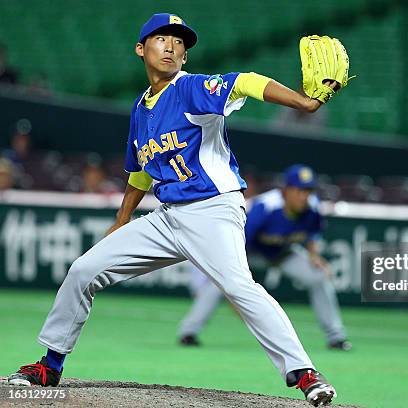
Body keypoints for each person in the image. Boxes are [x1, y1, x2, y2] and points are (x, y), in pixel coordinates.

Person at [7, 13, 347, 406]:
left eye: (179, 41)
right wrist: (121, 221)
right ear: (141, 48)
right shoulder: (141, 109)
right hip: (168, 217)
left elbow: (245, 81)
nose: (171, 46)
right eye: (161, 38)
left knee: (239, 286)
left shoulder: (190, 89)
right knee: (84, 269)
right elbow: (139, 173)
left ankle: (304, 374)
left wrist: (303, 103)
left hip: (213, 209)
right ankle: (50, 364)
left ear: (185, 55)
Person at [179, 164, 351, 351]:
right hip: (248, 252)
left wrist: (313, 255)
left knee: (318, 277)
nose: (304, 196)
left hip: (281, 253)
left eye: (308, 190)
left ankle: (336, 337)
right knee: (218, 282)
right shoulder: (265, 207)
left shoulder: (313, 207)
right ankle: (189, 332)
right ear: (287, 191)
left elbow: (313, 232)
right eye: (300, 190)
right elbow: (238, 242)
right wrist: (232, 290)